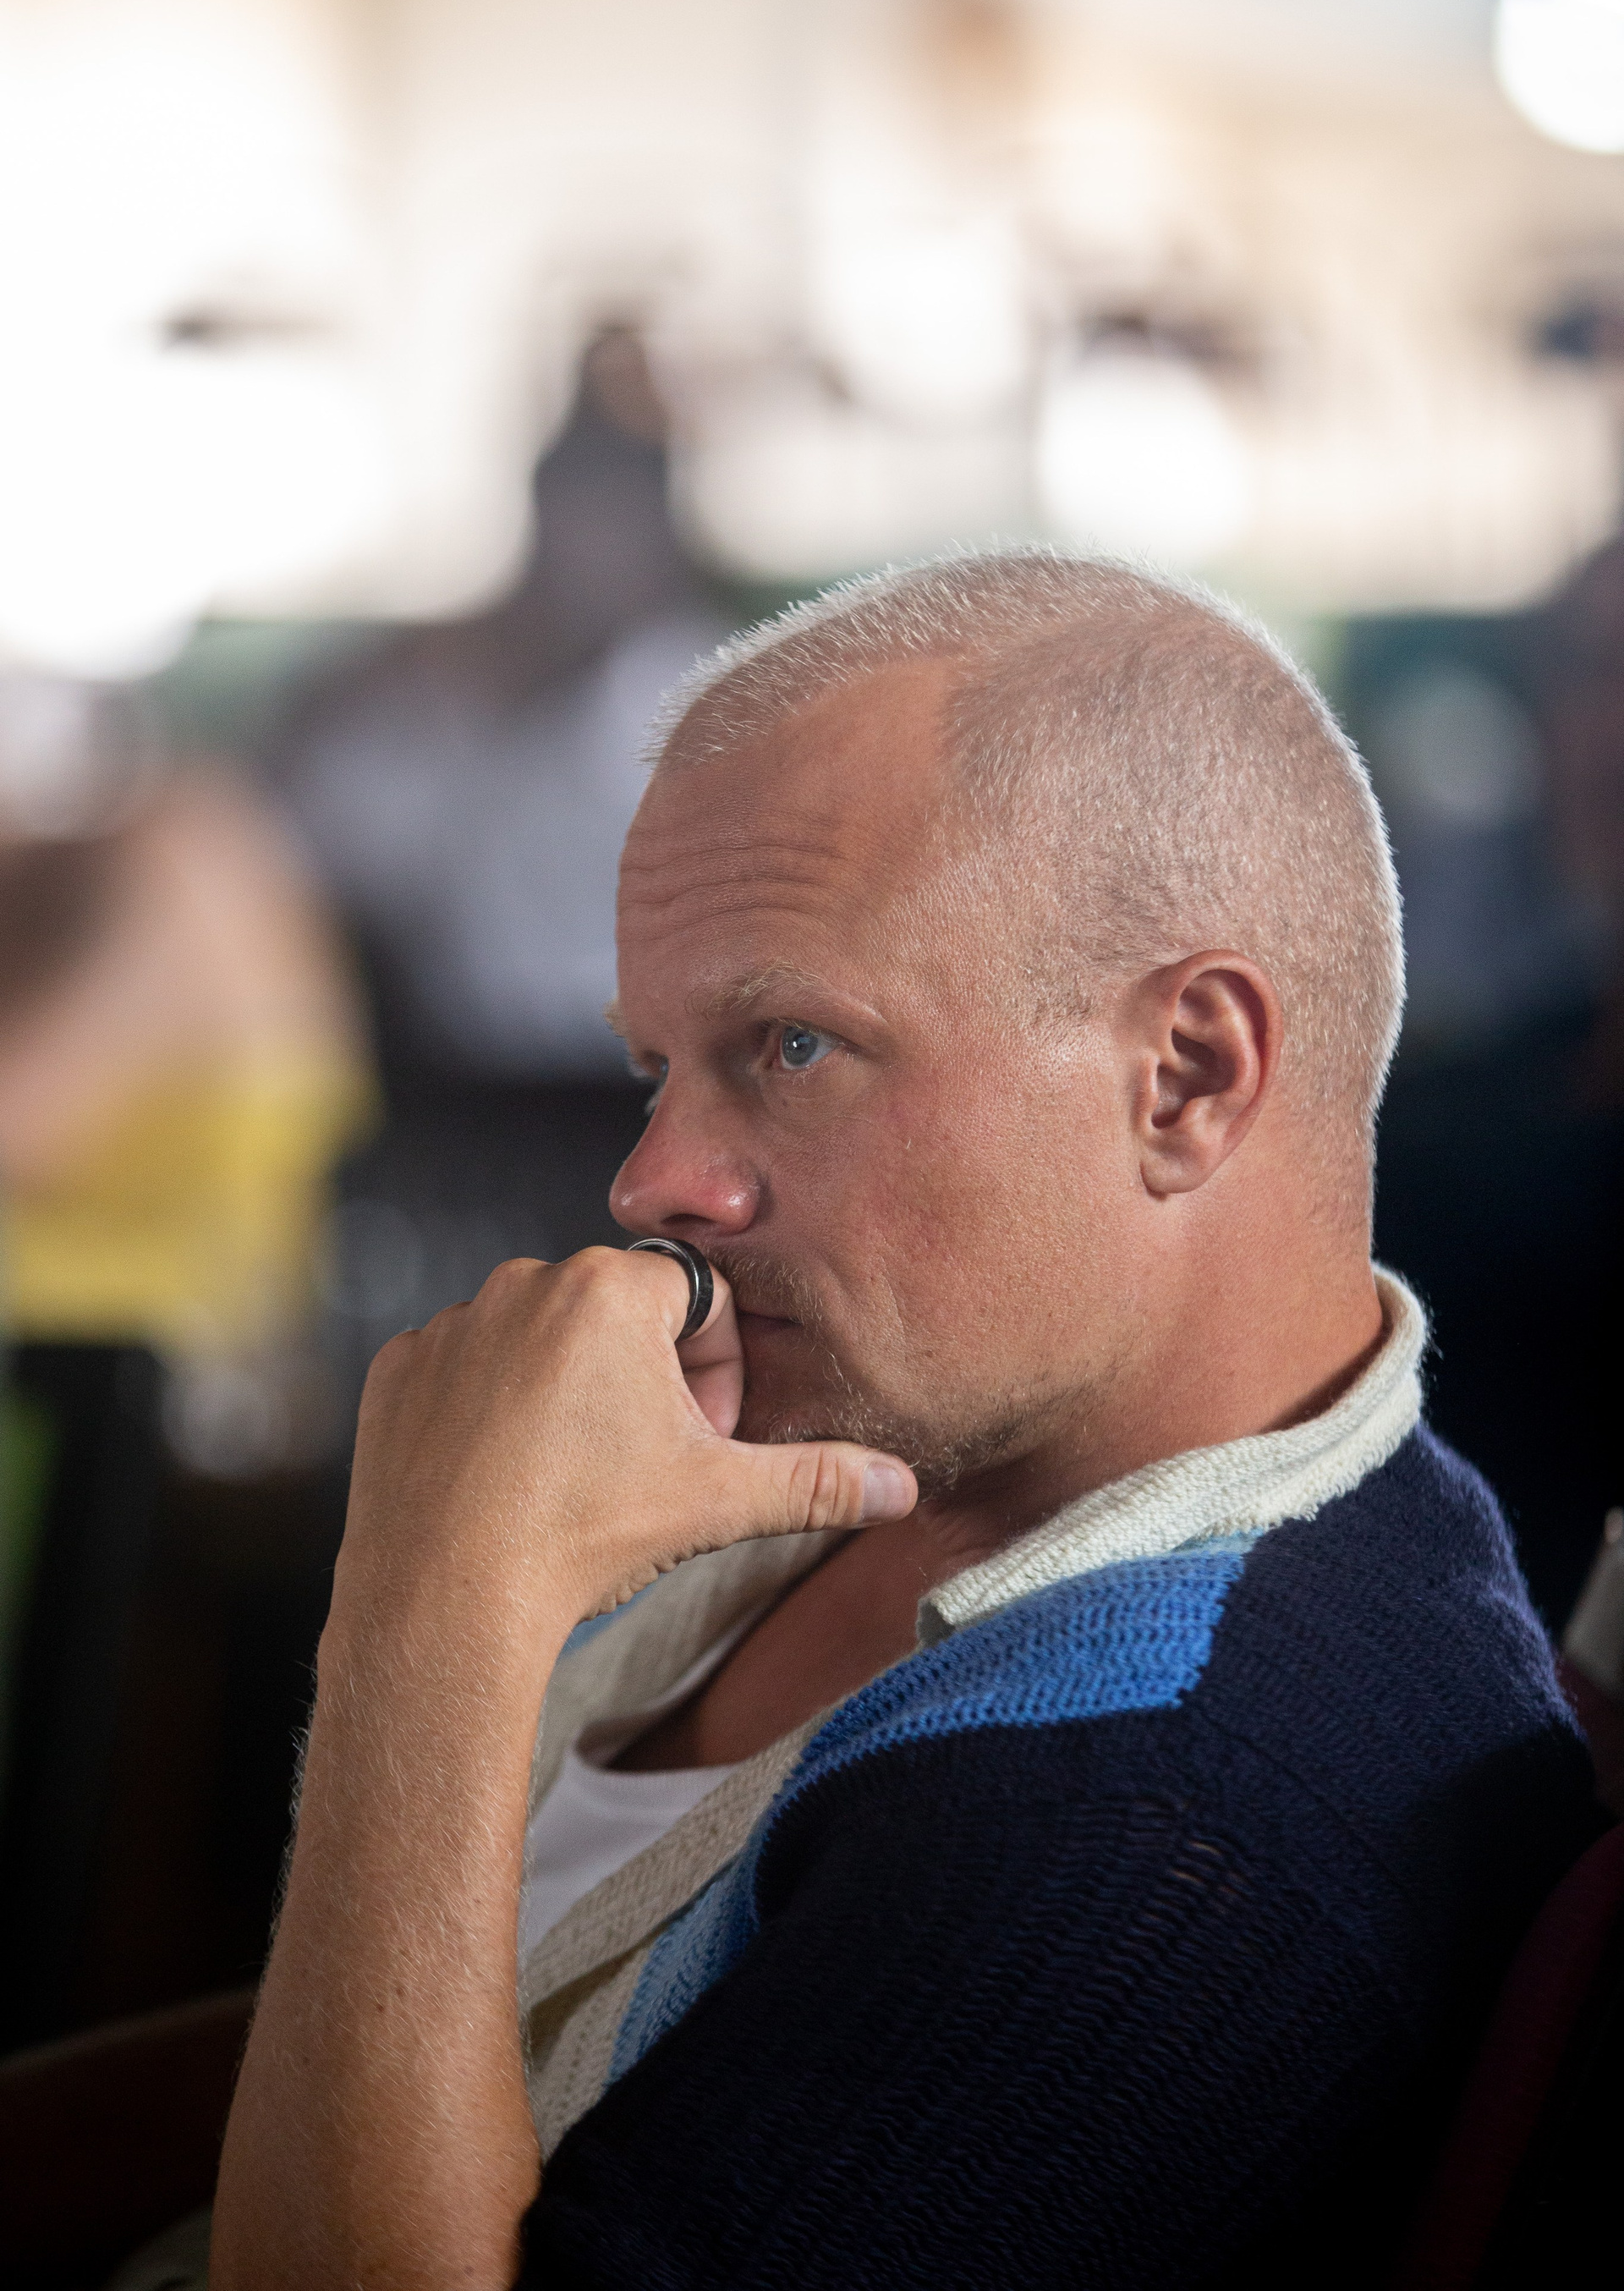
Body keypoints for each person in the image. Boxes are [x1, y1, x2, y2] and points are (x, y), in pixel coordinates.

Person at [209, 552, 1599, 2290]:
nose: (653, 1182)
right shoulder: (894, 1442)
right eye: (659, 1068)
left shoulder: (1173, 1816)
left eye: (791, 1046)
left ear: (1188, 1074)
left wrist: (425, 1622)